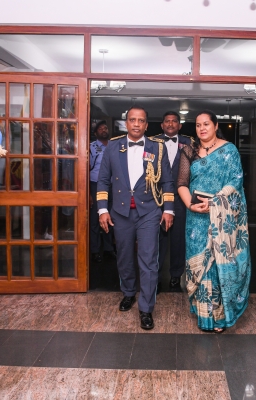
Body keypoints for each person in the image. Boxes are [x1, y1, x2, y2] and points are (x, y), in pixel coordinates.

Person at [97, 106, 174, 330]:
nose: (137, 124)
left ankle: (146, 308)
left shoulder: (157, 148)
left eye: (141, 120)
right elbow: (103, 180)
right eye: (132, 120)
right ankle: (129, 292)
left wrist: (168, 210)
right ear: (126, 123)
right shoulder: (113, 147)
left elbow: (167, 181)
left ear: (147, 125)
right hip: (120, 213)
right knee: (124, 257)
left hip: (149, 211)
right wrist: (102, 210)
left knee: (149, 260)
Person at [177, 110, 251, 333]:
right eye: (198, 125)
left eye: (206, 124)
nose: (202, 128)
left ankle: (219, 317)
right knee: (201, 263)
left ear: (216, 125)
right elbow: (181, 183)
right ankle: (204, 315)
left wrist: (216, 202)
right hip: (196, 217)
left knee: (218, 262)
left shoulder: (229, 150)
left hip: (221, 217)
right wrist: (190, 205)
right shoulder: (189, 151)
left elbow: (236, 181)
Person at [153, 111, 192, 292]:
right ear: (162, 125)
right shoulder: (152, 142)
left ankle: (176, 276)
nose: (170, 124)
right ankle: (156, 276)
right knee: (157, 239)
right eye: (167, 121)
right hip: (157, 198)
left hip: (180, 198)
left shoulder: (189, 142)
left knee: (178, 239)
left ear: (179, 125)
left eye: (174, 121)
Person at [89, 121, 115, 263]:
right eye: (100, 129)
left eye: (105, 128)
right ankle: (95, 250)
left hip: (112, 186)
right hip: (95, 185)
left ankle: (108, 249)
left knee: (111, 217)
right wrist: (88, 192)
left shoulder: (114, 146)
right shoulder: (91, 147)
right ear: (95, 133)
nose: (104, 130)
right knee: (95, 219)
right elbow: (85, 169)